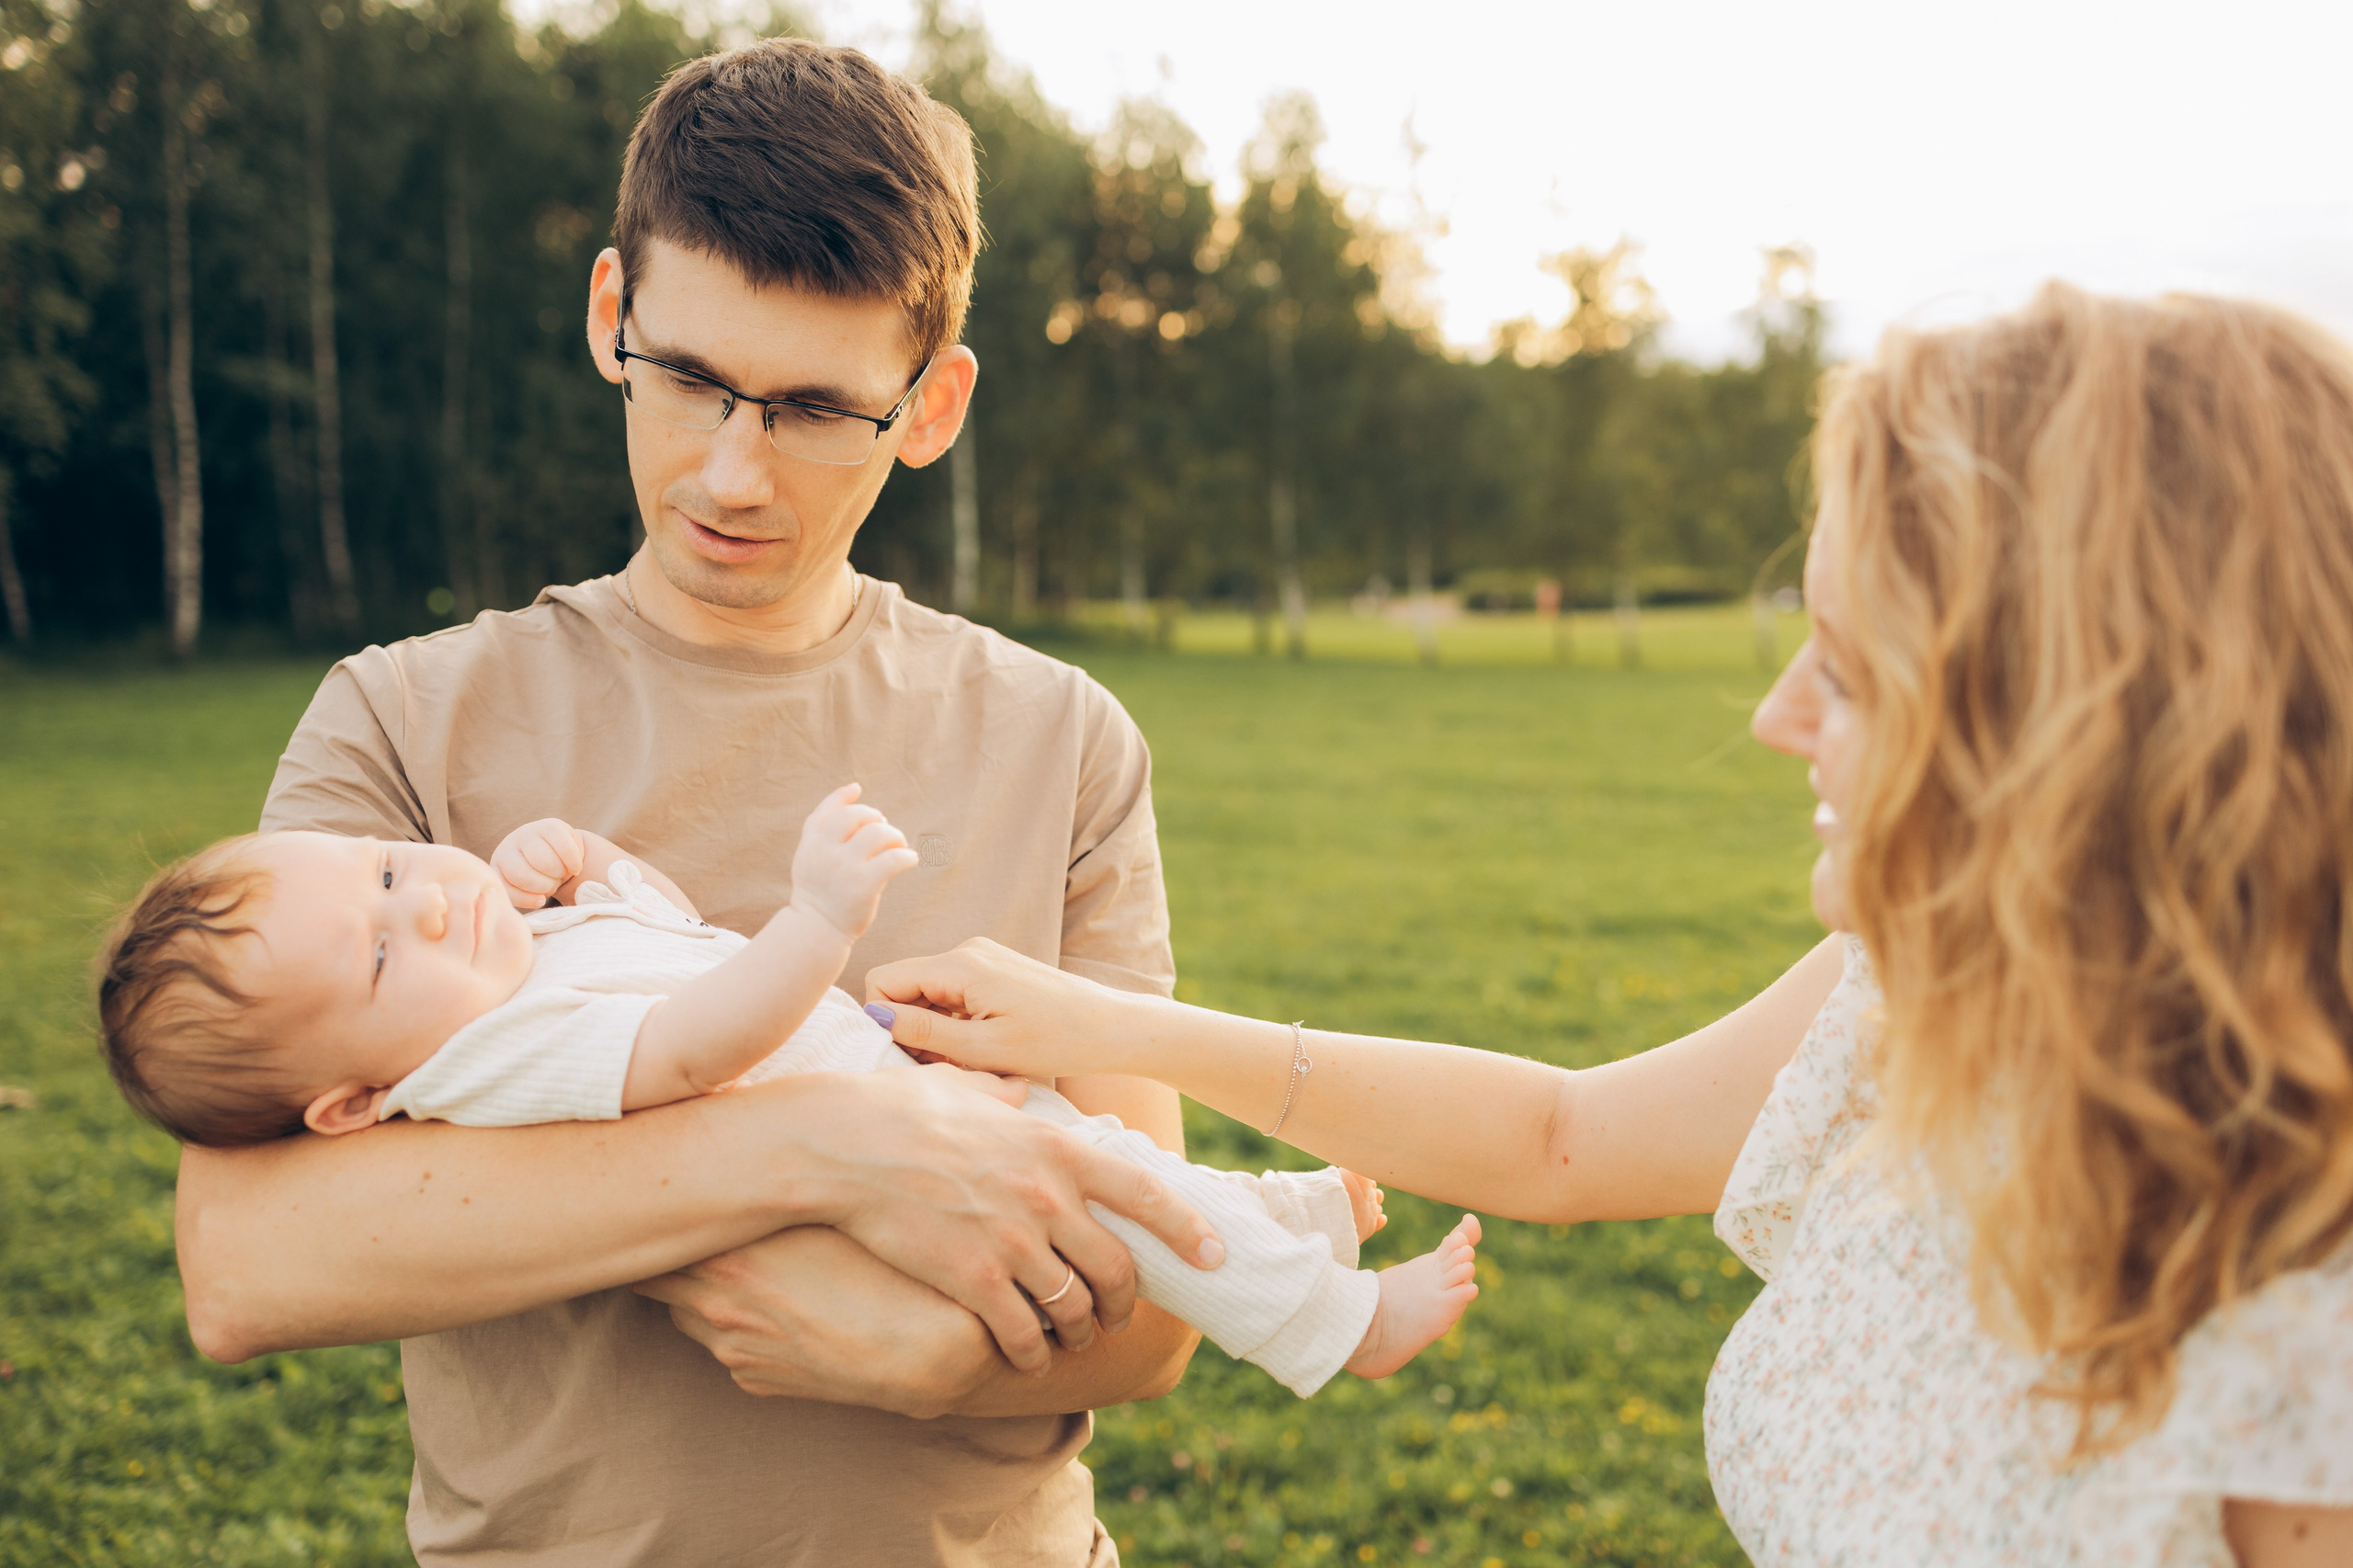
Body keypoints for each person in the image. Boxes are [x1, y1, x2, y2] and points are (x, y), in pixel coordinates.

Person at [866, 286, 2353, 1566]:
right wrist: (1111, 1027)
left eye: (1850, 667)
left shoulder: (2315, 1304)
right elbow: (1560, 1138)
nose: (1776, 719)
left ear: (2085, 715)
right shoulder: (1927, 991)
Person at [170, 38, 1233, 1568]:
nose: (733, 473)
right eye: (689, 379)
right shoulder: (404, 721)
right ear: (613, 316)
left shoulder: (1064, 737)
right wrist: (819, 1155)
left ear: (930, 407)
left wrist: (944, 1358)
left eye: (811, 408)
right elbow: (249, 1260)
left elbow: (1161, 1303)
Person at [102, 796, 1482, 1395]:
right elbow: (692, 1041)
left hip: (892, 1080)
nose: (435, 901)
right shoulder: (477, 1063)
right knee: (1114, 1204)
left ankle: (1293, 1212)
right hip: (866, 1129)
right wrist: (818, 920)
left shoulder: (516, 960)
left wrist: (591, 864)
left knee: (1111, 1164)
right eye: (387, 947)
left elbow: (664, 938)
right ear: (349, 1102)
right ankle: (1341, 1322)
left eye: (393, 869)